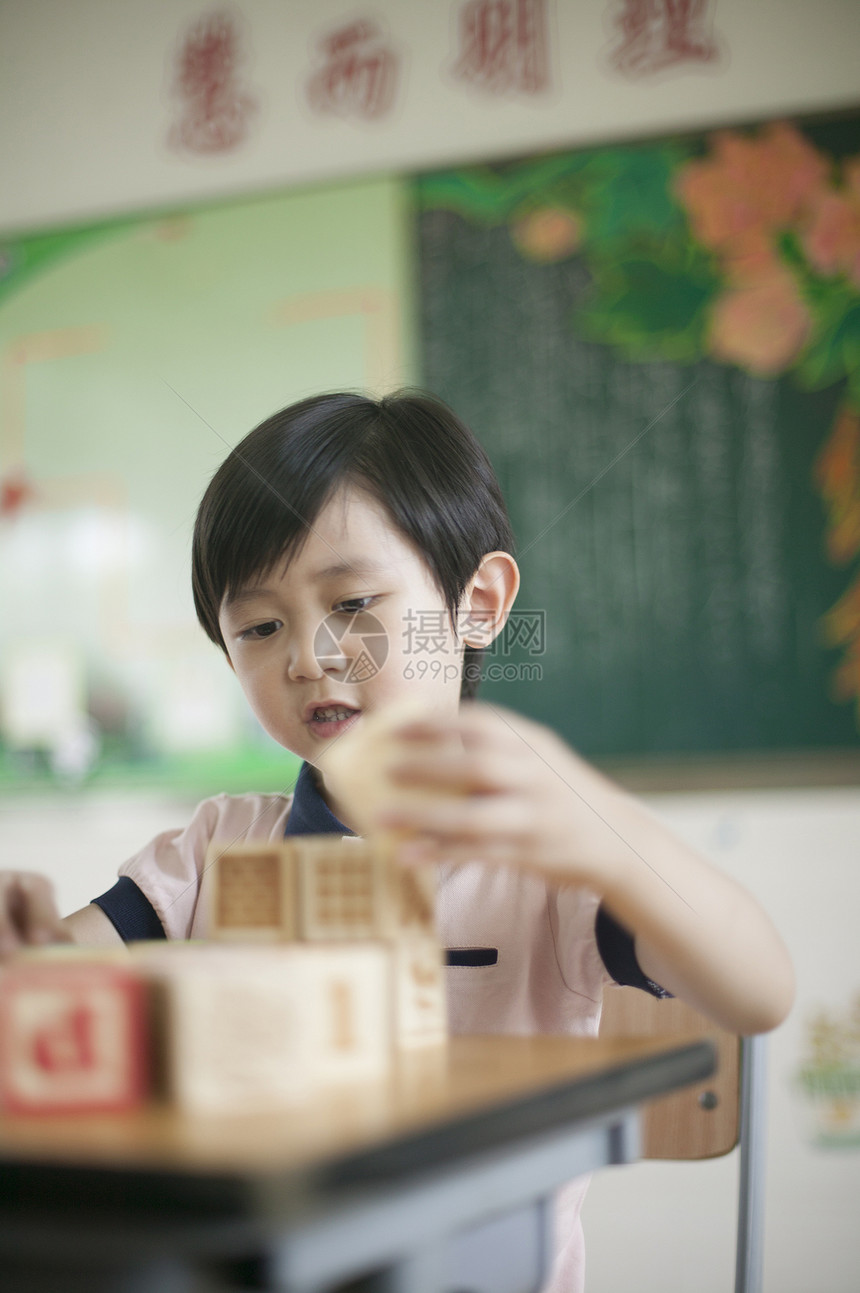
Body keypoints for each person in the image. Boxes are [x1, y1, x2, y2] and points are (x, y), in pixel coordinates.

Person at [0, 390, 794, 1292]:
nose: (309, 655)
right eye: (259, 628)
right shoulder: (215, 847)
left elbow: (760, 990)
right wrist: (26, 955)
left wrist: (607, 840)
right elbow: (56, 978)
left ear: (477, 604)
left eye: (353, 601)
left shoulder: (546, 861)